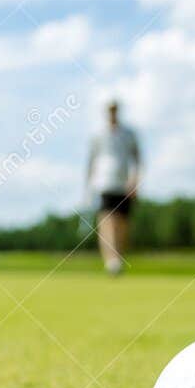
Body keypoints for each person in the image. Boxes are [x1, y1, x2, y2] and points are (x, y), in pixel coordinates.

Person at [84, 100, 141, 275]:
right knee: (107, 221)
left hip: (124, 184)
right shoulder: (98, 134)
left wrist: (134, 181)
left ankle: (118, 259)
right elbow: (91, 161)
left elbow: (137, 159)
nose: (112, 113)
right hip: (104, 183)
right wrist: (89, 184)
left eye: (114, 110)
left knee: (122, 224)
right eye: (110, 111)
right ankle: (111, 261)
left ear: (118, 111)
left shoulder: (129, 133)